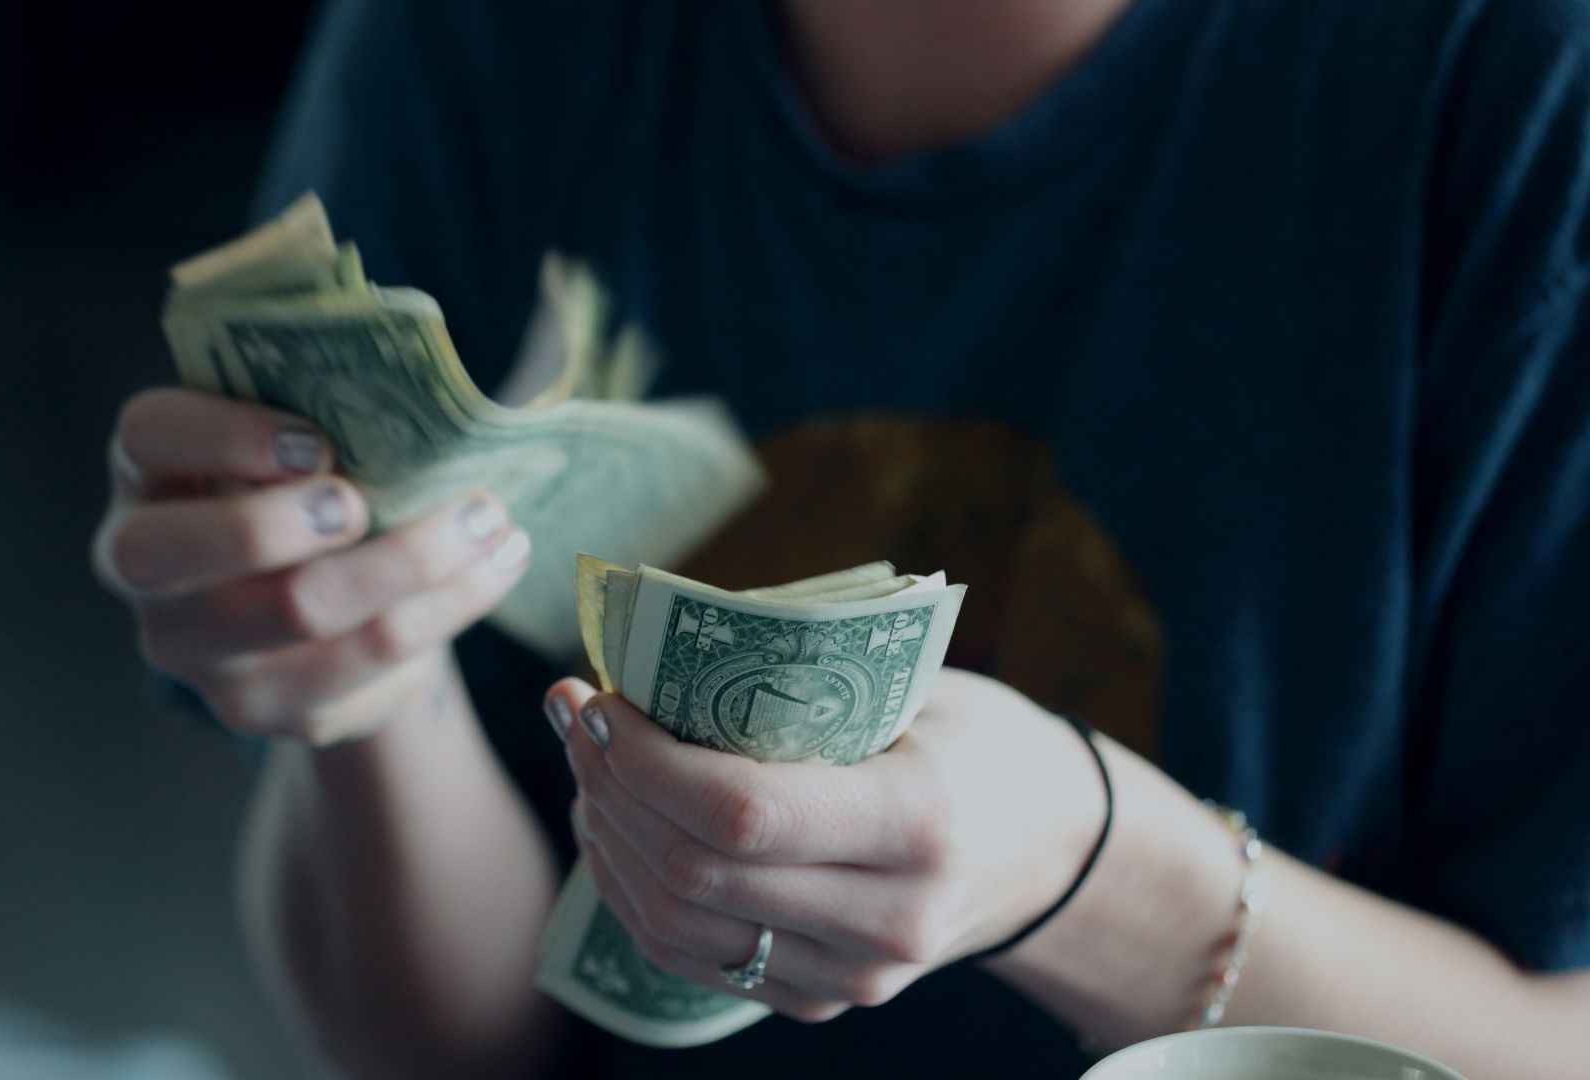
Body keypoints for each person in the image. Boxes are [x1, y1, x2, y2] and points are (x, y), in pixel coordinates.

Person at [91, 1, 1590, 1076]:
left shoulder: (1522, 87)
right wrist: (364, 687)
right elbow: (444, 1052)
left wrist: (1089, 874)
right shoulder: (479, 37)